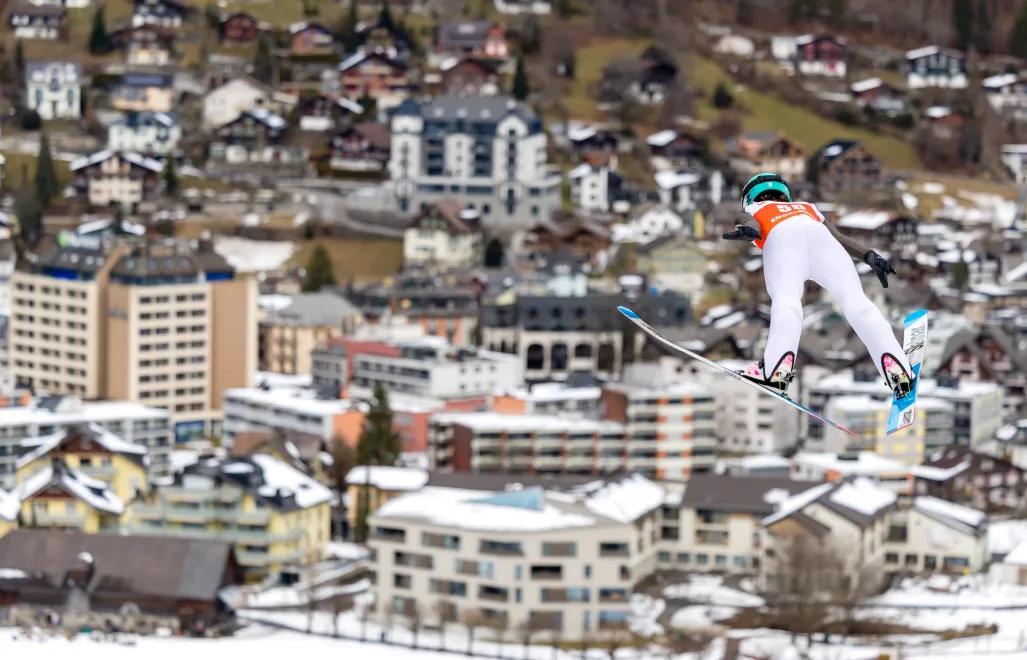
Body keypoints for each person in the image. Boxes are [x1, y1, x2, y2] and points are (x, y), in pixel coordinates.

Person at [722, 172, 914, 399]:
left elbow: (749, 221)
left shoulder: (755, 209)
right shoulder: (806, 208)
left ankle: (777, 370)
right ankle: (897, 368)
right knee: (857, 303)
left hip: (783, 239)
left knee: (787, 302)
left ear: (749, 198)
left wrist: (747, 230)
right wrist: (870, 256)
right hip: (825, 242)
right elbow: (839, 238)